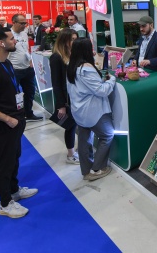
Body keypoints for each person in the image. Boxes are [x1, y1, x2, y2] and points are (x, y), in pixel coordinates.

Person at [0, 26, 39, 219]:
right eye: (11, 39)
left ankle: (13, 190)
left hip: (15, 122)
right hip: (4, 125)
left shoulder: (6, 63)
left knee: (14, 157)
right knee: (4, 163)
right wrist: (7, 119)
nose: (15, 41)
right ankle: (5, 203)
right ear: (1, 43)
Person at [66, 38, 115, 181]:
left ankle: (86, 170)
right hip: (92, 111)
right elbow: (101, 90)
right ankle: (97, 168)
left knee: (84, 138)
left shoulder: (71, 65)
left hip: (78, 110)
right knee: (107, 135)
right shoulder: (86, 68)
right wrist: (111, 80)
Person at [49, 28, 79, 164]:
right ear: (64, 40)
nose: (74, 42)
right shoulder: (56, 57)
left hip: (76, 96)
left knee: (76, 125)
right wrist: (61, 105)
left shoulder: (73, 54)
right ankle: (70, 153)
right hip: (66, 99)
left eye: (75, 39)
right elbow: (56, 83)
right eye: (72, 39)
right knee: (70, 126)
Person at [8, 14, 42, 121]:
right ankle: (15, 114)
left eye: (25, 23)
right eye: (21, 23)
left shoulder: (24, 33)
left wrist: (31, 60)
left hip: (27, 68)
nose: (24, 25)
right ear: (14, 22)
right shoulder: (8, 35)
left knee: (30, 92)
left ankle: (28, 113)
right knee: (14, 94)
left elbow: (26, 49)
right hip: (15, 69)